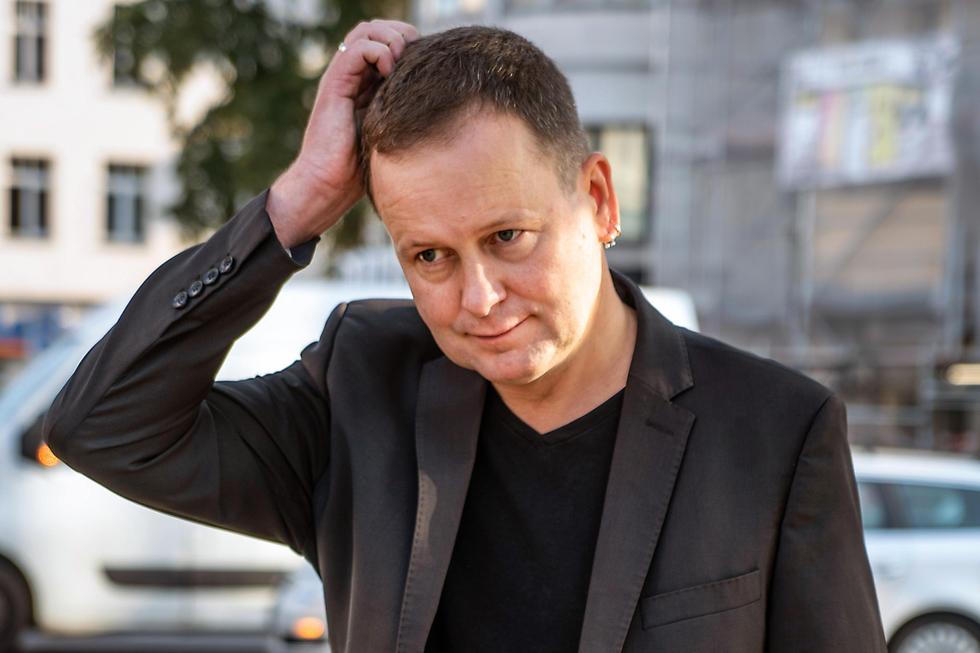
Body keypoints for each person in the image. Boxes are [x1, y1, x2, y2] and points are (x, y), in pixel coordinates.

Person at [43, 19, 887, 653]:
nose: (478, 298)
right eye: (430, 255)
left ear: (598, 200)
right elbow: (102, 425)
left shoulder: (775, 432)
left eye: (508, 236)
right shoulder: (360, 393)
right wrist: (296, 205)